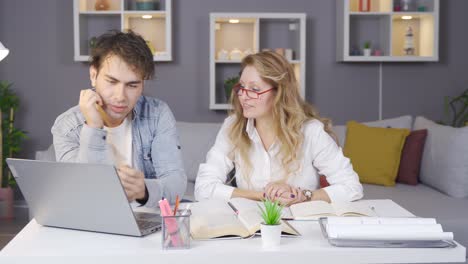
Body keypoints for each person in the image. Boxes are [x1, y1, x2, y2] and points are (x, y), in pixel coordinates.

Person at [195, 51, 363, 205]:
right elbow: (203, 189)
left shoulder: (311, 131)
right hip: (252, 228)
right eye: (241, 87)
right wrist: (263, 196)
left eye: (254, 89)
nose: (243, 97)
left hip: (303, 228)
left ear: (279, 93)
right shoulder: (232, 126)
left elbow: (352, 187)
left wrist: (303, 195)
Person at [52, 31, 186, 207]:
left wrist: (144, 190)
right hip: (93, 221)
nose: (120, 96)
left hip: (145, 219)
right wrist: (93, 127)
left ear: (142, 84)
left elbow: (176, 183)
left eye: (132, 85)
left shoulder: (157, 114)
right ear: (93, 75)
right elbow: (80, 193)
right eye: (111, 82)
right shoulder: (67, 125)